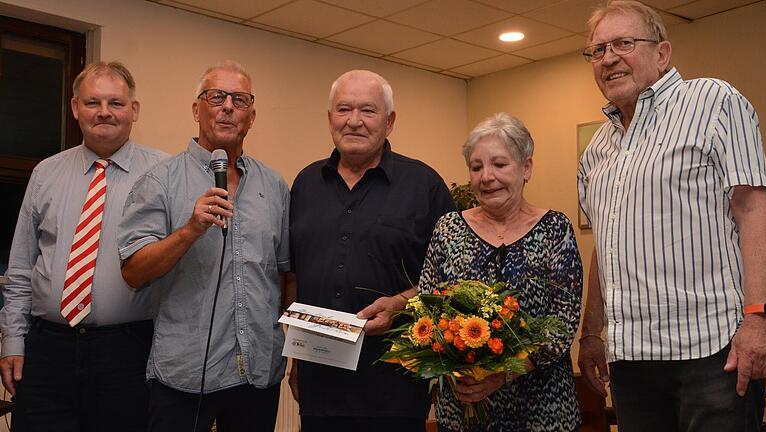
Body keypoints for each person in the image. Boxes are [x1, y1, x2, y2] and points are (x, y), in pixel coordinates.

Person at [577, 1, 766, 431]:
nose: (608, 58)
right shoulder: (595, 153)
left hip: (713, 352)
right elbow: (604, 246)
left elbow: (754, 209)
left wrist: (758, 318)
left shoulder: (714, 102)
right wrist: (592, 334)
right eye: (598, 50)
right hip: (631, 360)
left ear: (662, 54)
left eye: (623, 43)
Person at [117, 61, 289, 432]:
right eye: (216, 97)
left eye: (239, 100)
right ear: (197, 109)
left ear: (252, 115)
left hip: (258, 373)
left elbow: (284, 275)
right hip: (185, 374)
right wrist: (189, 230)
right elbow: (133, 273)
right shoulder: (159, 181)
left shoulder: (274, 186)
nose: (228, 107)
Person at [0, 61, 166, 431]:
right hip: (47, 352)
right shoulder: (46, 173)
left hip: (128, 353)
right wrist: (13, 341)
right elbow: (22, 267)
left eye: (116, 103)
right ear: (76, 108)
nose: (104, 112)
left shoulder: (165, 174)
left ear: (134, 111)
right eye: (93, 102)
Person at [288, 69, 456, 431]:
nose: (354, 121)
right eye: (344, 109)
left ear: (389, 121)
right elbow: (295, 277)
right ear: (330, 118)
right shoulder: (304, 184)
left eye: (368, 110)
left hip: (395, 385)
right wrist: (297, 359)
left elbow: (452, 280)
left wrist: (400, 304)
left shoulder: (424, 186)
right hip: (320, 387)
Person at [419, 113, 583, 431]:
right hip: (464, 407)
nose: (486, 177)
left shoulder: (555, 229)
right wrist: (451, 358)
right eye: (476, 167)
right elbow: (427, 308)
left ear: (527, 168)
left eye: (499, 164)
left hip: (542, 410)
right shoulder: (448, 228)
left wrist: (503, 373)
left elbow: (562, 323)